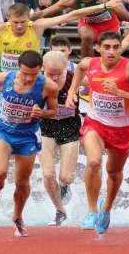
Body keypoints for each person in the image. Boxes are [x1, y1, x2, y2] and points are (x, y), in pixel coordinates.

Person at [66, 31, 129, 234]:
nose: (112, 51)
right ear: (99, 48)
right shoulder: (90, 63)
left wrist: (120, 93)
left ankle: (106, 209)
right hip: (95, 123)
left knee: (114, 173)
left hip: (122, 129)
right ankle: (92, 210)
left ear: (121, 48)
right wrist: (72, 91)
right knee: (94, 162)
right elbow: (79, 68)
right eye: (107, 47)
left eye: (116, 47)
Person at [0, 50, 59, 237]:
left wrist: (42, 113)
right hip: (3, 130)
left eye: (34, 74)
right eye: (25, 74)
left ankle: (17, 217)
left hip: (27, 135)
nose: (29, 78)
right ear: (18, 68)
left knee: (22, 182)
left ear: (41, 70)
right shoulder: (5, 78)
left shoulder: (49, 86)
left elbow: (53, 111)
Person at [31, 0, 129, 58]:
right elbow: (43, 12)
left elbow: (127, 18)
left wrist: (108, 4)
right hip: (89, 26)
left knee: (110, 50)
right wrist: (23, 18)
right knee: (87, 36)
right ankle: (87, 68)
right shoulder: (72, 0)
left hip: (110, 25)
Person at [38, 51, 82, 226]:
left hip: (70, 127)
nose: (55, 78)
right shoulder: (37, 82)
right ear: (43, 69)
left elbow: (98, 86)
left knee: (65, 177)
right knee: (48, 174)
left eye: (59, 74)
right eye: (50, 74)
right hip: (46, 127)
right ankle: (60, 211)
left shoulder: (75, 78)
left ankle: (65, 187)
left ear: (66, 68)